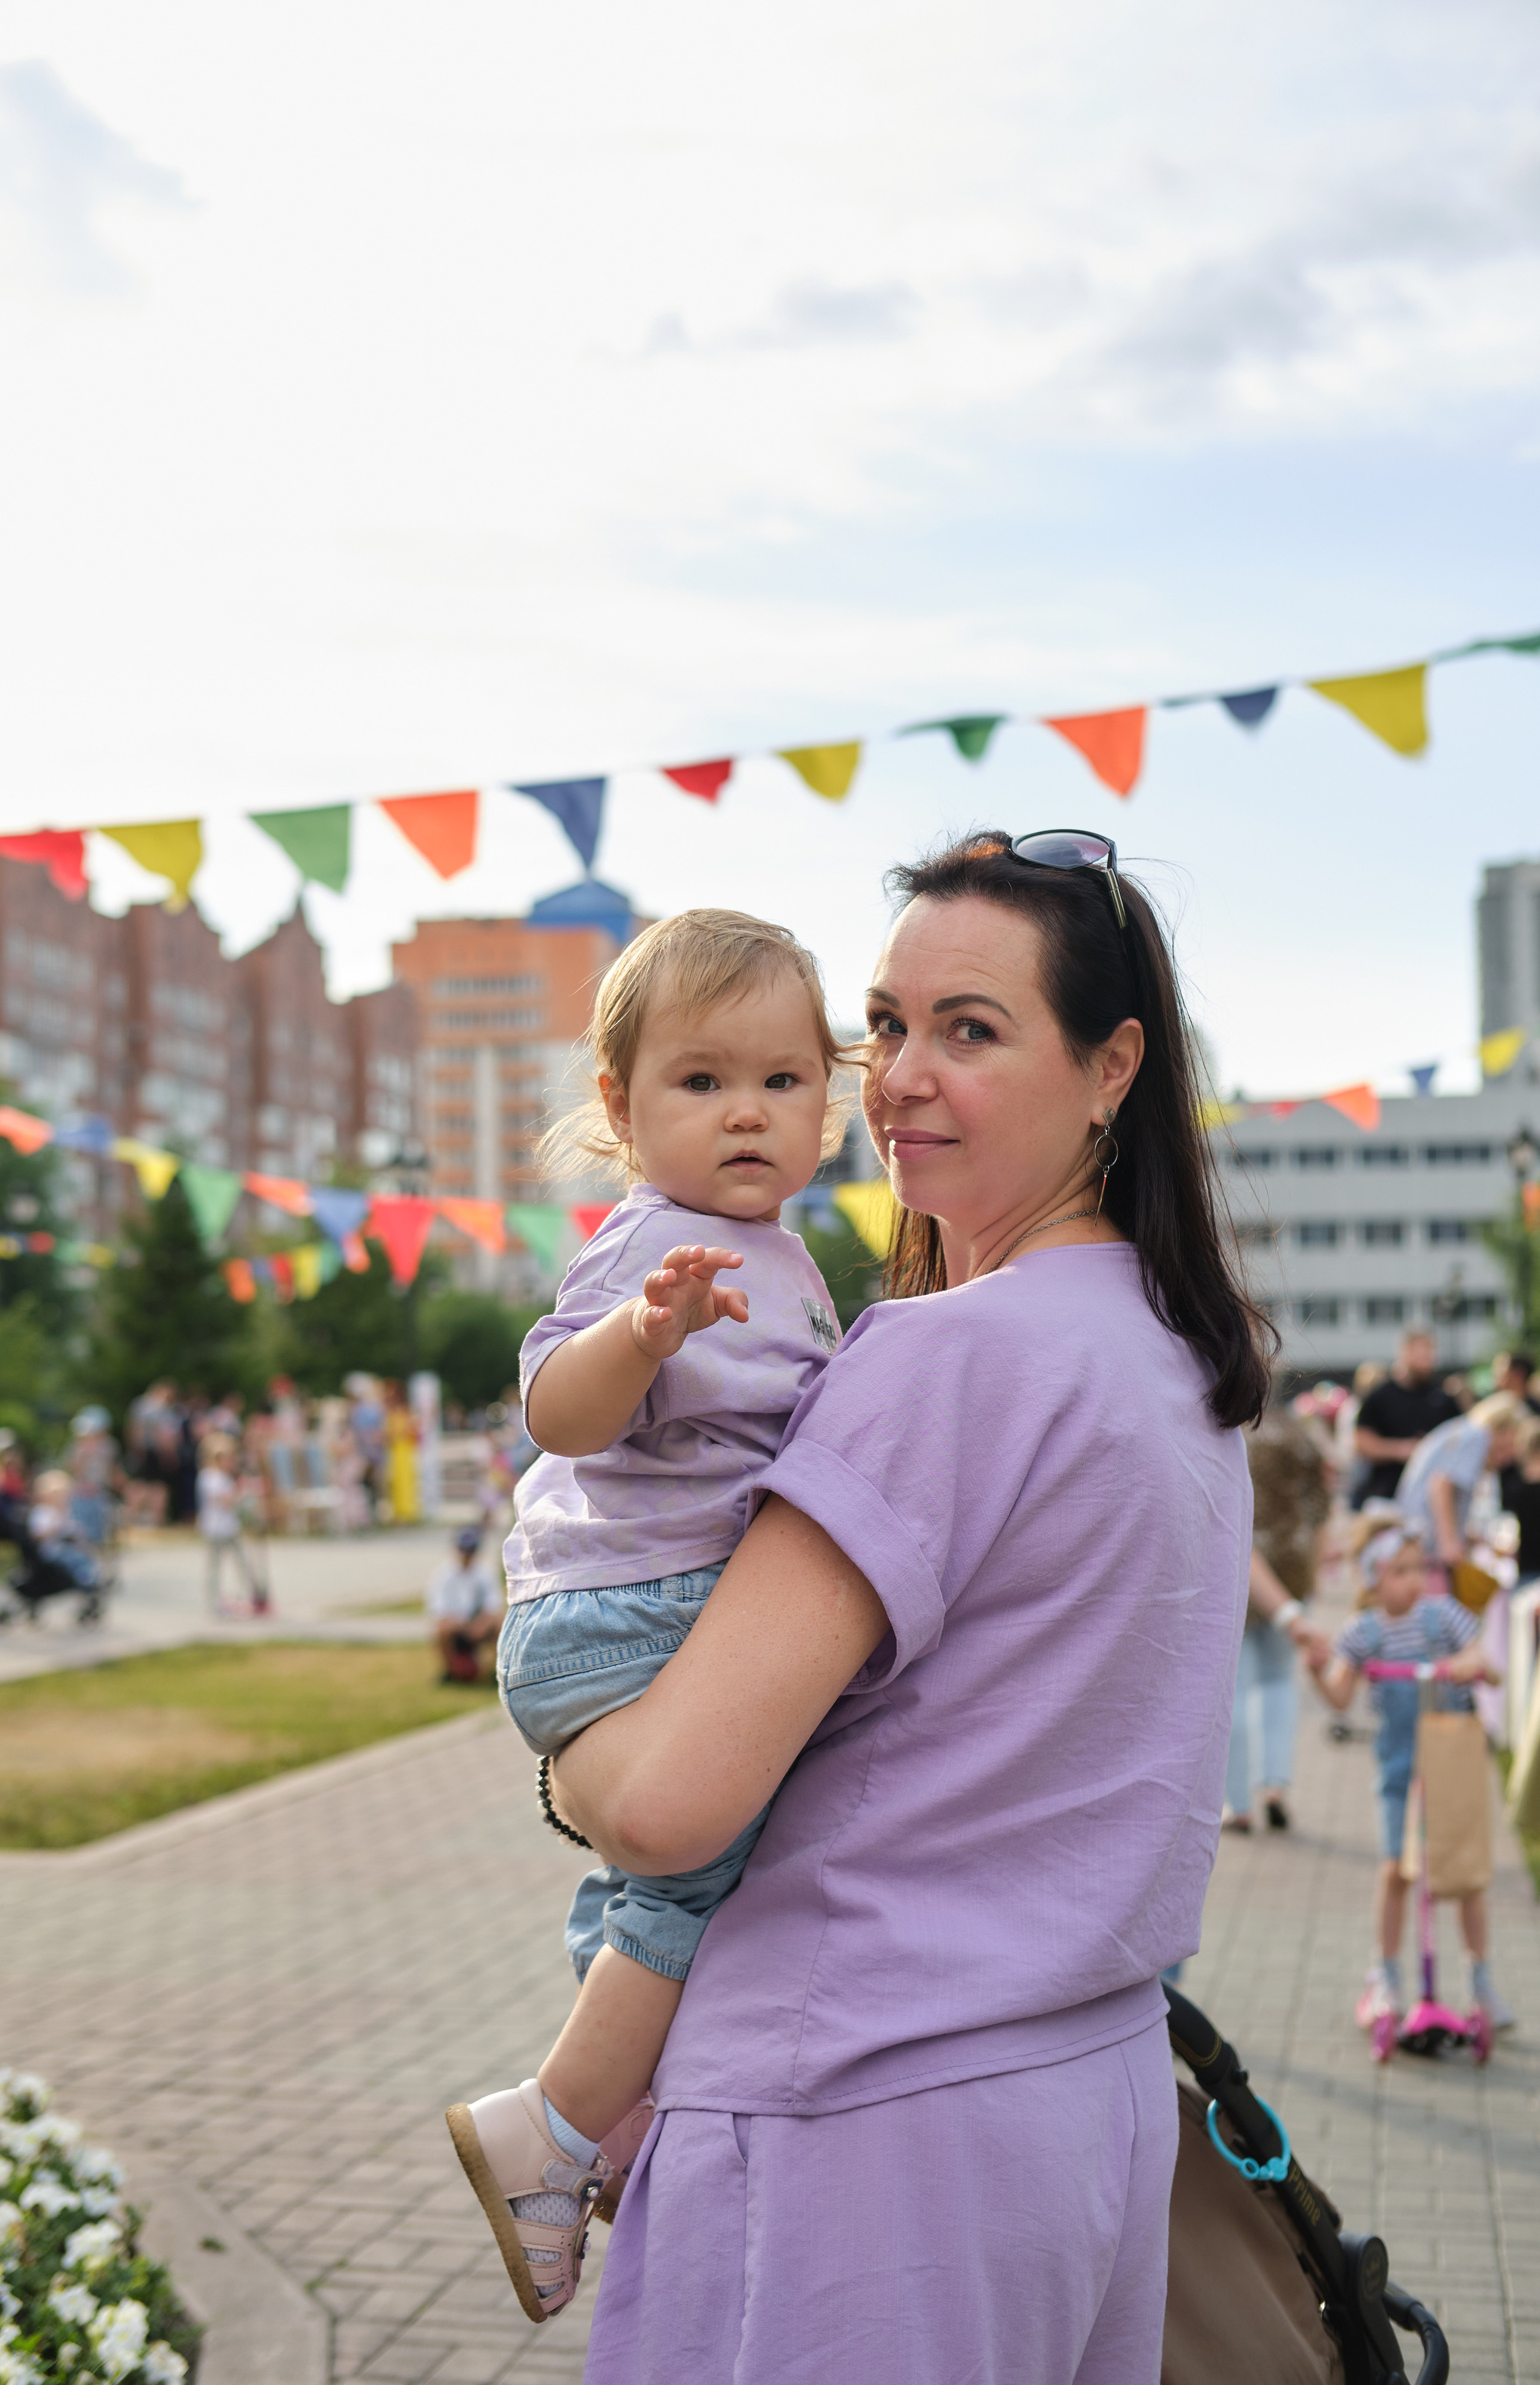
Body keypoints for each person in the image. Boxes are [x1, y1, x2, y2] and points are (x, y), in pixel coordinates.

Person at [481, 830, 1264, 2382]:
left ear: (1110, 1068)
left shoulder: (938, 1353)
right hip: (1089, 2091)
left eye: (969, 1030)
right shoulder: (1176, 1355)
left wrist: (564, 1743)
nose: (900, 1076)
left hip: (858, 2116)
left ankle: (561, 2114)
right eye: (888, 1025)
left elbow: (665, 1807)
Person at [447, 907, 845, 2322]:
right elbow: (554, 1411)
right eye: (701, 1080)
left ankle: (612, 2113)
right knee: (693, 1875)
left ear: (828, 1097)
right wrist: (639, 1334)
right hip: (628, 1610)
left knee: (639, 1890)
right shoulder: (656, 1244)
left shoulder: (778, 1251)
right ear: (619, 1107)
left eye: (782, 1080)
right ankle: (549, 2128)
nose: (746, 1112)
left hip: (639, 1606)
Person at [1306, 1520, 1512, 2031]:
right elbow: (1340, 1696)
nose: (1414, 1579)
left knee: (1464, 1874)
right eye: (1399, 1571)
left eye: (1418, 1568)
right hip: (1399, 1771)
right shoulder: (1364, 1633)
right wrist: (1316, 1669)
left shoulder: (1443, 1616)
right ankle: (1386, 1974)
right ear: (1374, 1578)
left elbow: (1488, 1665)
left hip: (1451, 1769)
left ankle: (1481, 1979)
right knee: (1396, 1870)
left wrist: (1469, 1663)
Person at [1224, 1398, 1331, 1832]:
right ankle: (1275, 1785)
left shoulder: (1229, 1430)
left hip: (1240, 1567)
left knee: (1235, 1689)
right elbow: (1320, 1512)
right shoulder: (1300, 1434)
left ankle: (1237, 1803)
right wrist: (1314, 1575)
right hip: (1292, 1566)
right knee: (1279, 1681)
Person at [1394, 1390, 1526, 1578]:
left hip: (1417, 1535)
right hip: (1423, 1540)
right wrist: (1449, 1544)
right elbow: (1441, 1483)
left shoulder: (1464, 1431)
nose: (1509, 1458)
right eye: (1511, 1446)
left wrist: (1476, 1540)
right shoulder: (1478, 1436)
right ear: (1504, 1429)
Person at [1354, 1329, 1461, 1504]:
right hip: (1388, 1493)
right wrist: (1402, 1449)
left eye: (1430, 1353)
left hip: (1432, 1497)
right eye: (1421, 1353)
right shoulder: (1381, 1397)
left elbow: (1459, 1436)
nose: (1427, 1360)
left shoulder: (1443, 1397)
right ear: (1405, 1352)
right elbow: (1362, 1443)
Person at [428, 1525, 504, 1682]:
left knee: (499, 1625)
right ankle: (449, 1672)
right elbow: (438, 1610)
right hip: (455, 1626)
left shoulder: (486, 1573)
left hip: (479, 1624)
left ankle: (495, 1672)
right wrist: (459, 1624)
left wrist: (480, 1624)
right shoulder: (443, 1575)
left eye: (470, 1552)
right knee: (442, 1630)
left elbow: (493, 1606)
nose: (467, 1556)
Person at [196, 1431, 254, 1613]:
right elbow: (224, 1501)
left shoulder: (223, 1477)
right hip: (216, 1529)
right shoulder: (210, 1477)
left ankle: (247, 1596)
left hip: (229, 1528)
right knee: (215, 1566)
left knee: (241, 1562)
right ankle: (214, 1601)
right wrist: (241, 1492)